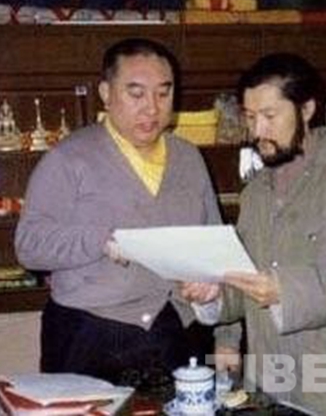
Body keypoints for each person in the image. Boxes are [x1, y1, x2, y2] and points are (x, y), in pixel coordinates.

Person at [188, 52, 326, 415]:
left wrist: (285, 290)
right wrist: (213, 296)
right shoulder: (256, 192)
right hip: (271, 390)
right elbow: (248, 282)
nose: (257, 131)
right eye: (250, 117)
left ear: (307, 109)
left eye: (270, 116)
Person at [15, 38, 222, 386]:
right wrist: (101, 240)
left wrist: (213, 293)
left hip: (177, 327)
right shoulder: (69, 158)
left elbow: (213, 243)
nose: (152, 108)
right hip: (89, 331)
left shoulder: (188, 157)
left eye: (163, 93)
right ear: (106, 94)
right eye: (136, 94)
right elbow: (29, 245)